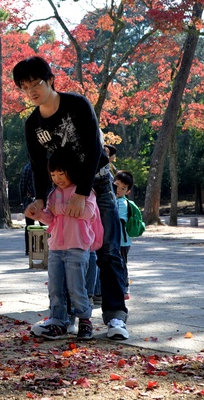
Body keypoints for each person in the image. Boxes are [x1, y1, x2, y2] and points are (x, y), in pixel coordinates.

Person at [13, 55, 130, 340]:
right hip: (63, 194)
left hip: (98, 187)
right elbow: (40, 166)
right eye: (24, 87)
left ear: (51, 80)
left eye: (36, 83)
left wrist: (81, 193)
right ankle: (62, 320)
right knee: (63, 256)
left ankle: (115, 319)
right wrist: (41, 199)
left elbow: (93, 151)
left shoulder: (77, 105)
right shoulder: (32, 125)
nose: (31, 91)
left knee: (109, 252)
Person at [26, 151, 103, 340]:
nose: (57, 179)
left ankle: (84, 320)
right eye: (53, 175)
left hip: (77, 246)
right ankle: (58, 321)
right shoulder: (53, 194)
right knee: (55, 287)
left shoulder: (84, 192)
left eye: (61, 174)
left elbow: (86, 213)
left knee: (76, 288)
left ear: (72, 171)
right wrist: (38, 215)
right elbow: (51, 219)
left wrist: (58, 209)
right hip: (55, 248)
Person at [19, 161, 36, 254]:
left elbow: (22, 185)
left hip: (29, 199)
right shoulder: (44, 166)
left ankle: (29, 249)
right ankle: (45, 247)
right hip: (41, 200)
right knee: (45, 225)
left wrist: (23, 199)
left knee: (29, 226)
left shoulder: (27, 167)